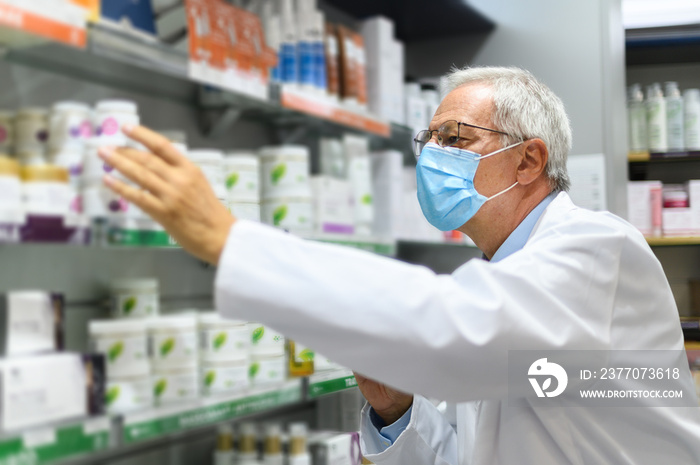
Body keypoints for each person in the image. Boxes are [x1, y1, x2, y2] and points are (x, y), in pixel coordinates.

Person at [97, 66, 700, 464]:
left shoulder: (597, 248)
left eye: (456, 138)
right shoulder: (505, 275)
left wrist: (234, 242)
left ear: (528, 160)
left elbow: (459, 334)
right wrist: (396, 412)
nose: (431, 157)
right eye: (428, 141)